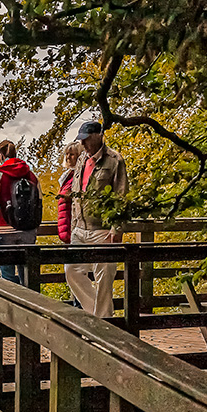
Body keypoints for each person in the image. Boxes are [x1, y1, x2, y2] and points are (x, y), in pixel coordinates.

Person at [64, 121, 128, 318]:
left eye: (86, 140)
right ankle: (101, 316)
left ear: (98, 136)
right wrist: (74, 224)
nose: (83, 144)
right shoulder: (82, 159)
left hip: (102, 229)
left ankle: (102, 322)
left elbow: (121, 196)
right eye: (81, 140)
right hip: (80, 229)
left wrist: (117, 229)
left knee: (104, 278)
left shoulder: (114, 160)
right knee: (71, 271)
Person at [0, 140, 41, 284]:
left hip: (2, 228)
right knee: (27, 274)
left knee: (7, 276)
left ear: (1, 156)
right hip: (27, 229)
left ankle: (10, 305)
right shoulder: (31, 174)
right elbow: (39, 201)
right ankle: (30, 303)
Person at [56, 142, 84, 244]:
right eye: (66, 154)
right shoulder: (66, 176)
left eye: (71, 154)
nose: (68, 157)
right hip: (67, 226)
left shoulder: (80, 176)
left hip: (74, 227)